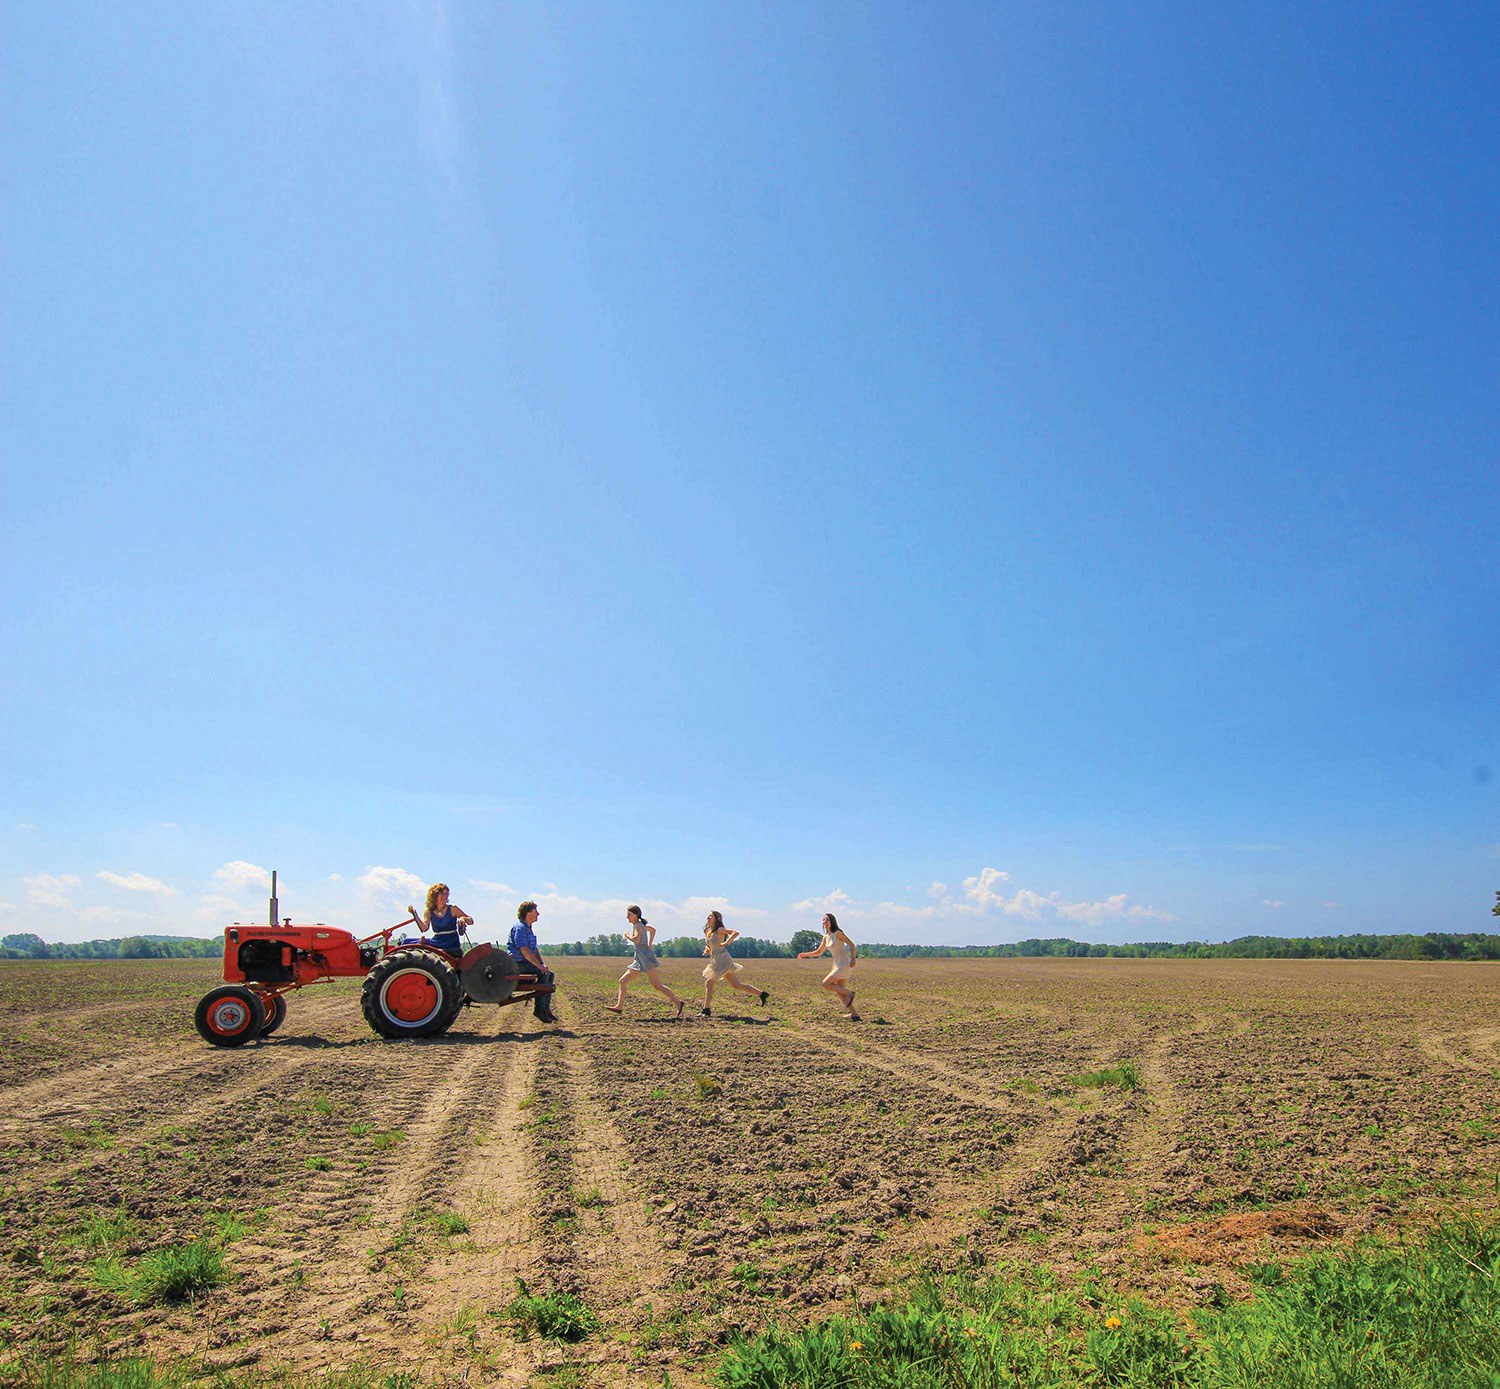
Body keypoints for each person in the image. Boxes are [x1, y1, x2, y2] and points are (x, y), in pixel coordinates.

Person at [604, 906, 686, 1019]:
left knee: (657, 985)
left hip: (645, 958)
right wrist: (650, 944)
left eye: (629, 914)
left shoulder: (638, 926)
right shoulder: (641, 925)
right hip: (640, 958)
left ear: (636, 915)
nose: (627, 917)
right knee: (622, 981)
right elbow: (653, 930)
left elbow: (636, 940)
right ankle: (619, 1006)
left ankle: (678, 1003)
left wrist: (628, 936)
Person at [699, 910, 769, 1018]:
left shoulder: (720, 930)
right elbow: (710, 944)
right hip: (715, 959)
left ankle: (706, 1010)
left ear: (716, 919)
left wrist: (727, 942)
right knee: (737, 985)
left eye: (711, 916)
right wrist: (707, 949)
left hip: (723, 959)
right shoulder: (708, 931)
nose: (708, 918)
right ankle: (762, 994)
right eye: (708, 916)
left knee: (709, 983)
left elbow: (735, 932)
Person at [797, 912, 859, 1019]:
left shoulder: (838, 933)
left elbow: (852, 945)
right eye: (823, 920)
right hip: (836, 965)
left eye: (827, 920)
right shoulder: (826, 937)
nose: (824, 922)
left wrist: (853, 958)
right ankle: (854, 1014)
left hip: (845, 964)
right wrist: (805, 954)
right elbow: (819, 952)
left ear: (832, 921)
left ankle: (850, 993)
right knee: (839, 991)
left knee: (825, 983)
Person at [507, 900, 557, 1023]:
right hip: (517, 964)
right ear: (527, 913)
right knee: (543, 974)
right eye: (536, 911)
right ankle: (539, 1010)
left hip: (525, 963)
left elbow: (533, 950)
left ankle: (545, 1008)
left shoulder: (528, 928)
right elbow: (524, 950)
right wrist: (539, 967)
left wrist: (541, 963)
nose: (538, 914)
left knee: (549, 974)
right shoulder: (520, 928)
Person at [422, 883, 472, 957]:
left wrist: (463, 918)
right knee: (408, 942)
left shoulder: (452, 909)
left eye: (447, 894)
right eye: (443, 894)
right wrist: (414, 914)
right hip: (437, 941)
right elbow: (424, 928)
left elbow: (470, 920)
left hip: (450, 942)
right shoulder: (429, 911)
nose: (445, 896)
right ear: (435, 895)